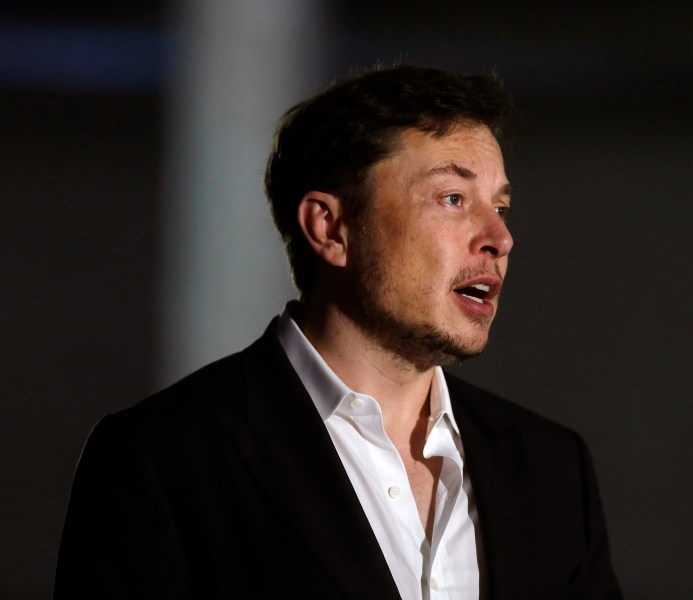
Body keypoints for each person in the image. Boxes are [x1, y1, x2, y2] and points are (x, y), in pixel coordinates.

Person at [55, 64, 622, 599]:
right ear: (329, 228)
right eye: (453, 198)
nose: (499, 237)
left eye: (500, 206)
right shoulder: (162, 460)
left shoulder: (551, 468)